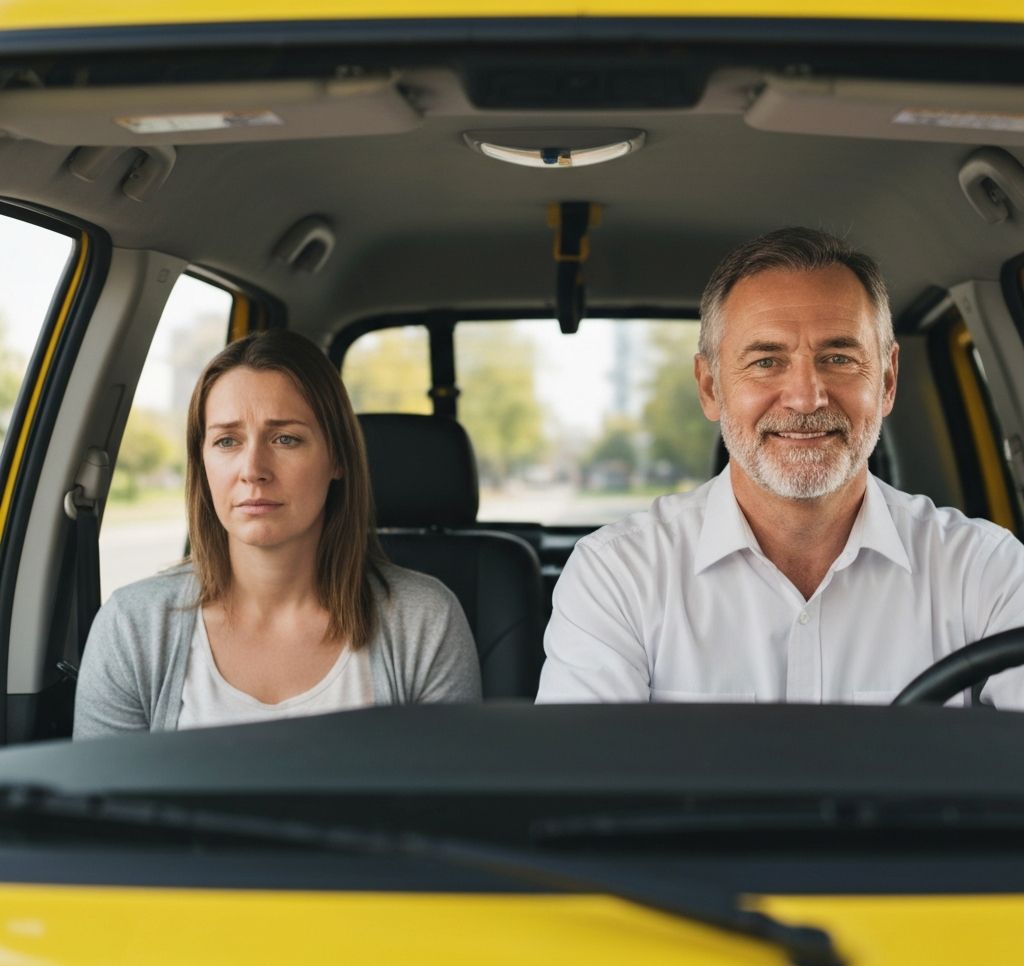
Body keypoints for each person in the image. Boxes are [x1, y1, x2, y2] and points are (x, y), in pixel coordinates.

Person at [536, 227, 1024, 707]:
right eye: (767, 361)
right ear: (710, 388)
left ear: (888, 381)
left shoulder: (986, 570)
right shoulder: (618, 574)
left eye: (838, 357)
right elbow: (580, 781)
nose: (806, 398)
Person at [74, 330, 480, 737]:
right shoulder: (131, 628)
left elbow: (448, 799)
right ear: (203, 462)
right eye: (227, 441)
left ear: (337, 458)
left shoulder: (425, 621)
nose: (253, 470)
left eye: (285, 439)